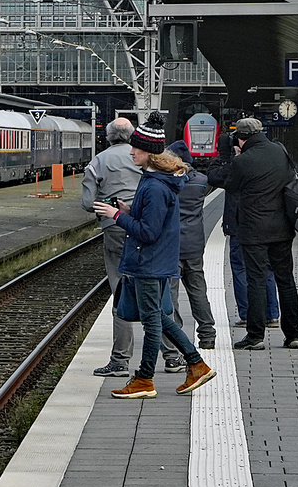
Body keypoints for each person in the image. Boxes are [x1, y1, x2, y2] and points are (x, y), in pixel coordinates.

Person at [93, 119, 215, 399]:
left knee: (152, 323)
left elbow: (148, 232)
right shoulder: (157, 181)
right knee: (160, 317)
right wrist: (129, 209)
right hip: (153, 262)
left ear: (148, 152)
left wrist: (118, 216)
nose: (131, 152)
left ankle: (144, 380)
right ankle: (196, 364)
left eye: (135, 148)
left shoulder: (155, 187)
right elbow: (151, 221)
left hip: (149, 263)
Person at [224, 117, 298, 350]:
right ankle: (293, 335)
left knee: (256, 280)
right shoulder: (280, 151)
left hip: (253, 230)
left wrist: (233, 158)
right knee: (286, 280)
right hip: (282, 228)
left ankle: (255, 336)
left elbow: (231, 185)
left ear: (241, 137)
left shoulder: (243, 161)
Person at [80, 117, 142, 377]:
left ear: (108, 137)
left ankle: (120, 360)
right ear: (132, 136)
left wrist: (107, 204)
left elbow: (86, 203)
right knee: (155, 289)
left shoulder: (98, 162)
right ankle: (172, 356)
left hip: (115, 229)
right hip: (145, 228)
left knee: (121, 290)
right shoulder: (143, 158)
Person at [168, 139, 217, 349]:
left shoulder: (166, 183)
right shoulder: (201, 182)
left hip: (170, 245)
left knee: (170, 294)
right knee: (197, 290)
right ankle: (207, 334)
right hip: (195, 244)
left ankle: (175, 337)